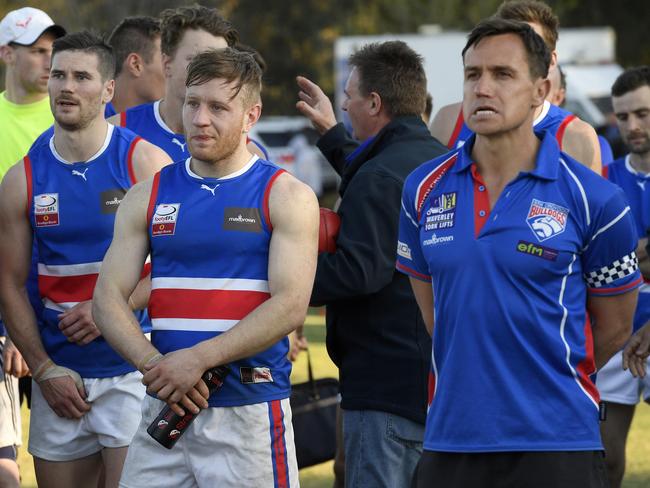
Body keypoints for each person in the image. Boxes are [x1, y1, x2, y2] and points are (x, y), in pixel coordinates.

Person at [397, 19, 640, 487]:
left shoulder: (595, 199)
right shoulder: (422, 189)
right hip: (452, 439)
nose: (483, 88)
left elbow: (613, 327)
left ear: (540, 89)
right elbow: (438, 316)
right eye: (473, 75)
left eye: (502, 74)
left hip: (558, 442)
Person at [92, 48, 318, 488]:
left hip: (248, 412)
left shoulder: (286, 195)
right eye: (192, 103)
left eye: (218, 107)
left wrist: (196, 360)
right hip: (164, 408)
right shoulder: (147, 193)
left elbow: (290, 306)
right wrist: (156, 365)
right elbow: (107, 298)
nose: (199, 118)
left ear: (251, 115)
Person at [0, 31, 170, 488]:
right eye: (58, 75)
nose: (66, 87)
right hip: (63, 376)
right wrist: (43, 368)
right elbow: (9, 284)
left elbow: (179, 269)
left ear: (109, 89)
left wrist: (110, 308)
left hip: (132, 368)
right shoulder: (23, 178)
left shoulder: (143, 162)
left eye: (81, 77)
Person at [296, 40, 447, 487]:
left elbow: (359, 271)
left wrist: (279, 276)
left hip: (385, 387)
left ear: (375, 103)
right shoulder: (440, 160)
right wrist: (331, 133)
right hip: (433, 378)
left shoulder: (381, 176)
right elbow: (376, 173)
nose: (343, 103)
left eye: (349, 94)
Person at [0, 8, 65, 486]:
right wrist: (12, 324)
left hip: (66, 312)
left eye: (53, 52)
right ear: (6, 53)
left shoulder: (73, 116)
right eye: (38, 52)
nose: (49, 62)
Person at [429, 0, 602, 173]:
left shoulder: (575, 136)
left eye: (532, 44)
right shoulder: (449, 120)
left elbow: (593, 199)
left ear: (551, 61)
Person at [596, 66, 650, 488]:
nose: (632, 126)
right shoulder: (605, 179)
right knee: (606, 459)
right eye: (624, 117)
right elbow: (604, 259)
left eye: (643, 114)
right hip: (616, 332)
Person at [108, 5, 238, 161]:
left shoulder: (240, 149)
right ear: (167, 64)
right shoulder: (114, 133)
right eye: (198, 60)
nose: (211, 71)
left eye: (220, 64)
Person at [105, 16, 165, 117]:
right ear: (135, 65)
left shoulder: (181, 126)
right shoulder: (85, 123)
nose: (174, 69)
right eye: (165, 60)